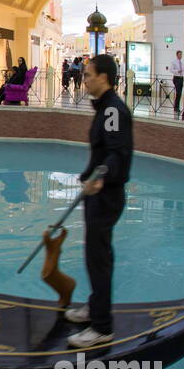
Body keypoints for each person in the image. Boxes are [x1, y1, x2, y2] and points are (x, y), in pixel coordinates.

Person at [63, 54, 133, 347]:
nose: (84, 78)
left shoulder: (113, 110)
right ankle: (95, 307)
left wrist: (101, 178)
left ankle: (102, 327)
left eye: (89, 74)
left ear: (103, 77)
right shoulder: (105, 108)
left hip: (105, 196)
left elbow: (119, 153)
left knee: (99, 258)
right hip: (97, 193)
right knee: (94, 256)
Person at [169, 50, 184, 115]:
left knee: (179, 93)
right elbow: (170, 70)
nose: (180, 56)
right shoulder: (173, 62)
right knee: (178, 93)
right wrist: (177, 71)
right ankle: (176, 107)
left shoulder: (182, 63)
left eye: (181, 54)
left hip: (181, 78)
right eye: (179, 54)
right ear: (177, 55)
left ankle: (177, 107)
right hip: (176, 78)